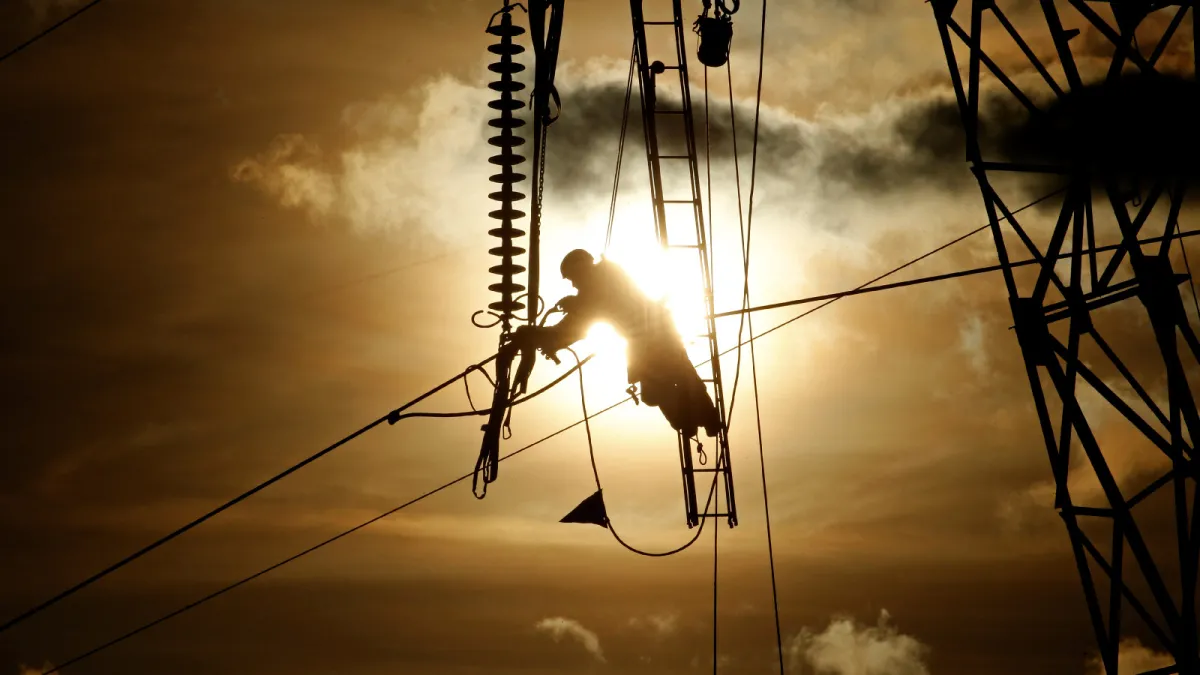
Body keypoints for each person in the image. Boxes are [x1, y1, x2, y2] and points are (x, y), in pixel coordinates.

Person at [534, 249, 722, 438]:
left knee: (680, 379)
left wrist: (568, 313)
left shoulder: (608, 274)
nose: (574, 285)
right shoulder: (597, 285)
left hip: (657, 338)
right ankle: (690, 420)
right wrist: (554, 337)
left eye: (573, 278)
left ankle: (703, 419)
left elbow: (596, 306)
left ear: (581, 268)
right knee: (663, 388)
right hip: (647, 342)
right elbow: (581, 323)